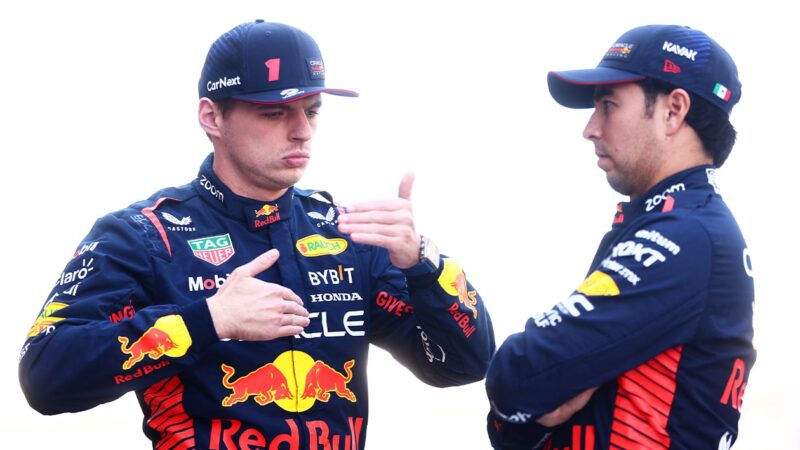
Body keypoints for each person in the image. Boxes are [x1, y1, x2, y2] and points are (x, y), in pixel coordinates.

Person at [19, 20, 495, 449]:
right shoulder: (144, 236)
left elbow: (462, 364)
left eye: (312, 110)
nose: (302, 131)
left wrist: (424, 262)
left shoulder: (349, 234)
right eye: (274, 113)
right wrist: (206, 321)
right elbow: (44, 377)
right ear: (212, 117)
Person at [485, 24, 755, 449]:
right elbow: (511, 426)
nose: (590, 128)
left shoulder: (685, 236)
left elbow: (516, 377)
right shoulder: (668, 222)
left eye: (608, 105)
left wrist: (532, 399)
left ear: (673, 111)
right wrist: (532, 414)